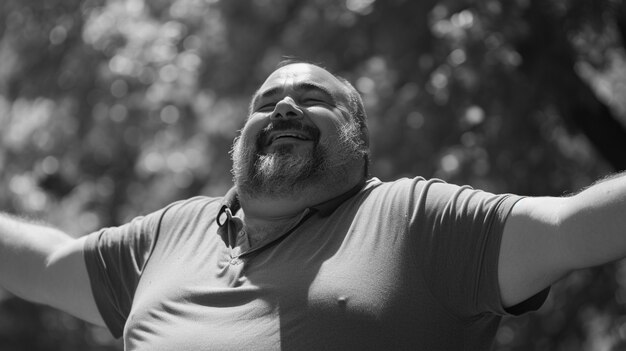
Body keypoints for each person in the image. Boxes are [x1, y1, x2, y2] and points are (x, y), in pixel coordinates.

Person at [0, 60, 625, 350]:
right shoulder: (173, 231)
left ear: (358, 139)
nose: (284, 108)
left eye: (311, 98)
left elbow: (575, 230)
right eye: (266, 101)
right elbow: (44, 262)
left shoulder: (414, 220)